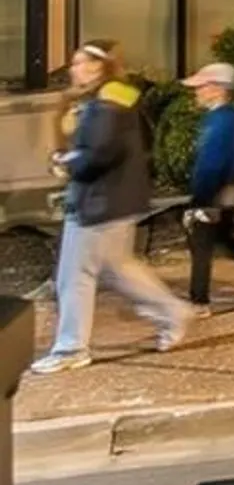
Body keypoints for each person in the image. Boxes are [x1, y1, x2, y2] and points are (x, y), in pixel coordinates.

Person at [35, 42, 192, 371]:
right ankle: (173, 311)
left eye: (80, 63)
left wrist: (67, 163)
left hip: (99, 202)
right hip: (115, 200)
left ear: (97, 67)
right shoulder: (115, 97)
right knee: (120, 269)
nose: (73, 69)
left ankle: (71, 348)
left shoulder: (106, 103)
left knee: (75, 275)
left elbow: (99, 152)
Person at [180, 61, 234, 307]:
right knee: (223, 236)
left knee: (201, 242)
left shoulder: (220, 121)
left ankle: (198, 301)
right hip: (228, 187)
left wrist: (201, 197)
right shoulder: (225, 118)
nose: (197, 92)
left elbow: (213, 162)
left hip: (217, 189)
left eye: (202, 86)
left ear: (218, 89)